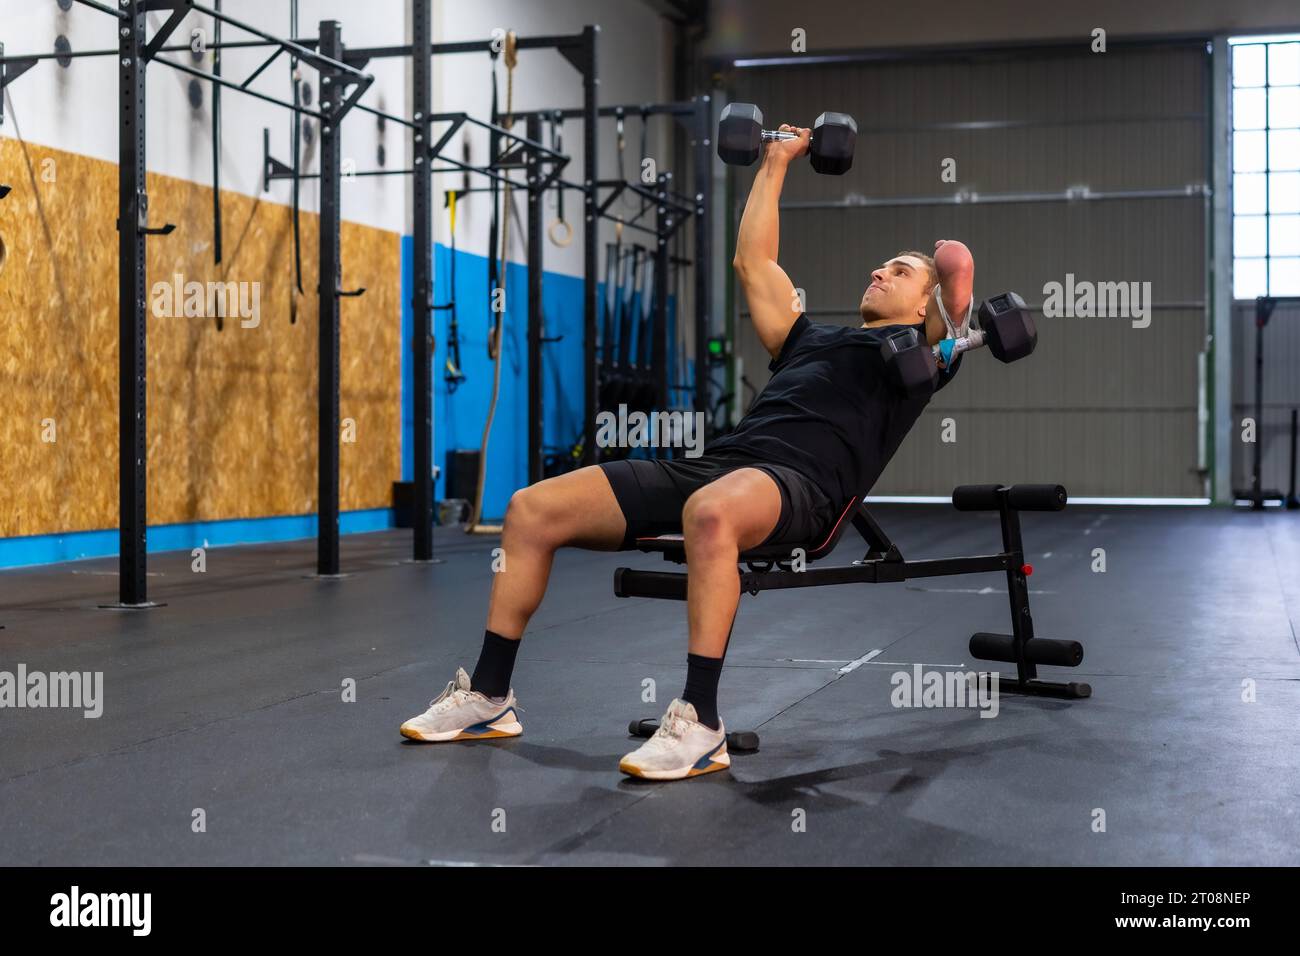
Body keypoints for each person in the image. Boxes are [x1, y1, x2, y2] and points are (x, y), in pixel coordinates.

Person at [401, 123, 976, 781]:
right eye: (882, 264)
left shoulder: (923, 359)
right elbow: (753, 263)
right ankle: (490, 694)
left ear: (927, 308)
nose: (878, 270)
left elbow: (956, 267)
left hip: (799, 488)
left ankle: (700, 721)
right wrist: (777, 158)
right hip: (722, 465)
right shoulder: (807, 337)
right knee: (532, 508)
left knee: (710, 511)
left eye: (898, 270)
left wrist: (941, 268)